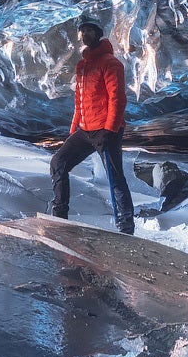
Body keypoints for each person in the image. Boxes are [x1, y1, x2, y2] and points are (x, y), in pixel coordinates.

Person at [50, 19, 135, 234]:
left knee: (115, 177)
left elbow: (117, 98)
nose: (85, 34)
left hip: (106, 131)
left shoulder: (110, 63)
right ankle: (60, 215)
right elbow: (79, 100)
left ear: (98, 34)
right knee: (58, 162)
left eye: (89, 30)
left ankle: (126, 226)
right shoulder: (82, 65)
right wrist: (73, 130)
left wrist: (110, 129)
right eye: (82, 31)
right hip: (85, 130)